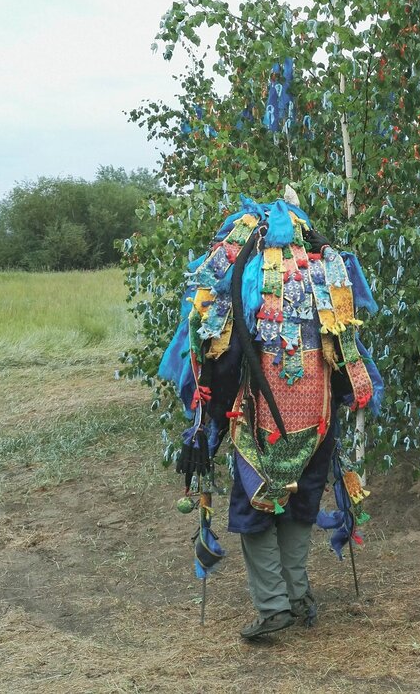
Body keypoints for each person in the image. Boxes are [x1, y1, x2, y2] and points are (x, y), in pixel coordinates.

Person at [158, 196, 382, 641]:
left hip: (259, 422)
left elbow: (219, 361)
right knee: (301, 503)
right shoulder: (325, 273)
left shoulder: (241, 277)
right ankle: (298, 596)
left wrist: (209, 426)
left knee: (253, 507)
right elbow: (347, 356)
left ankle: (274, 605)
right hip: (317, 421)